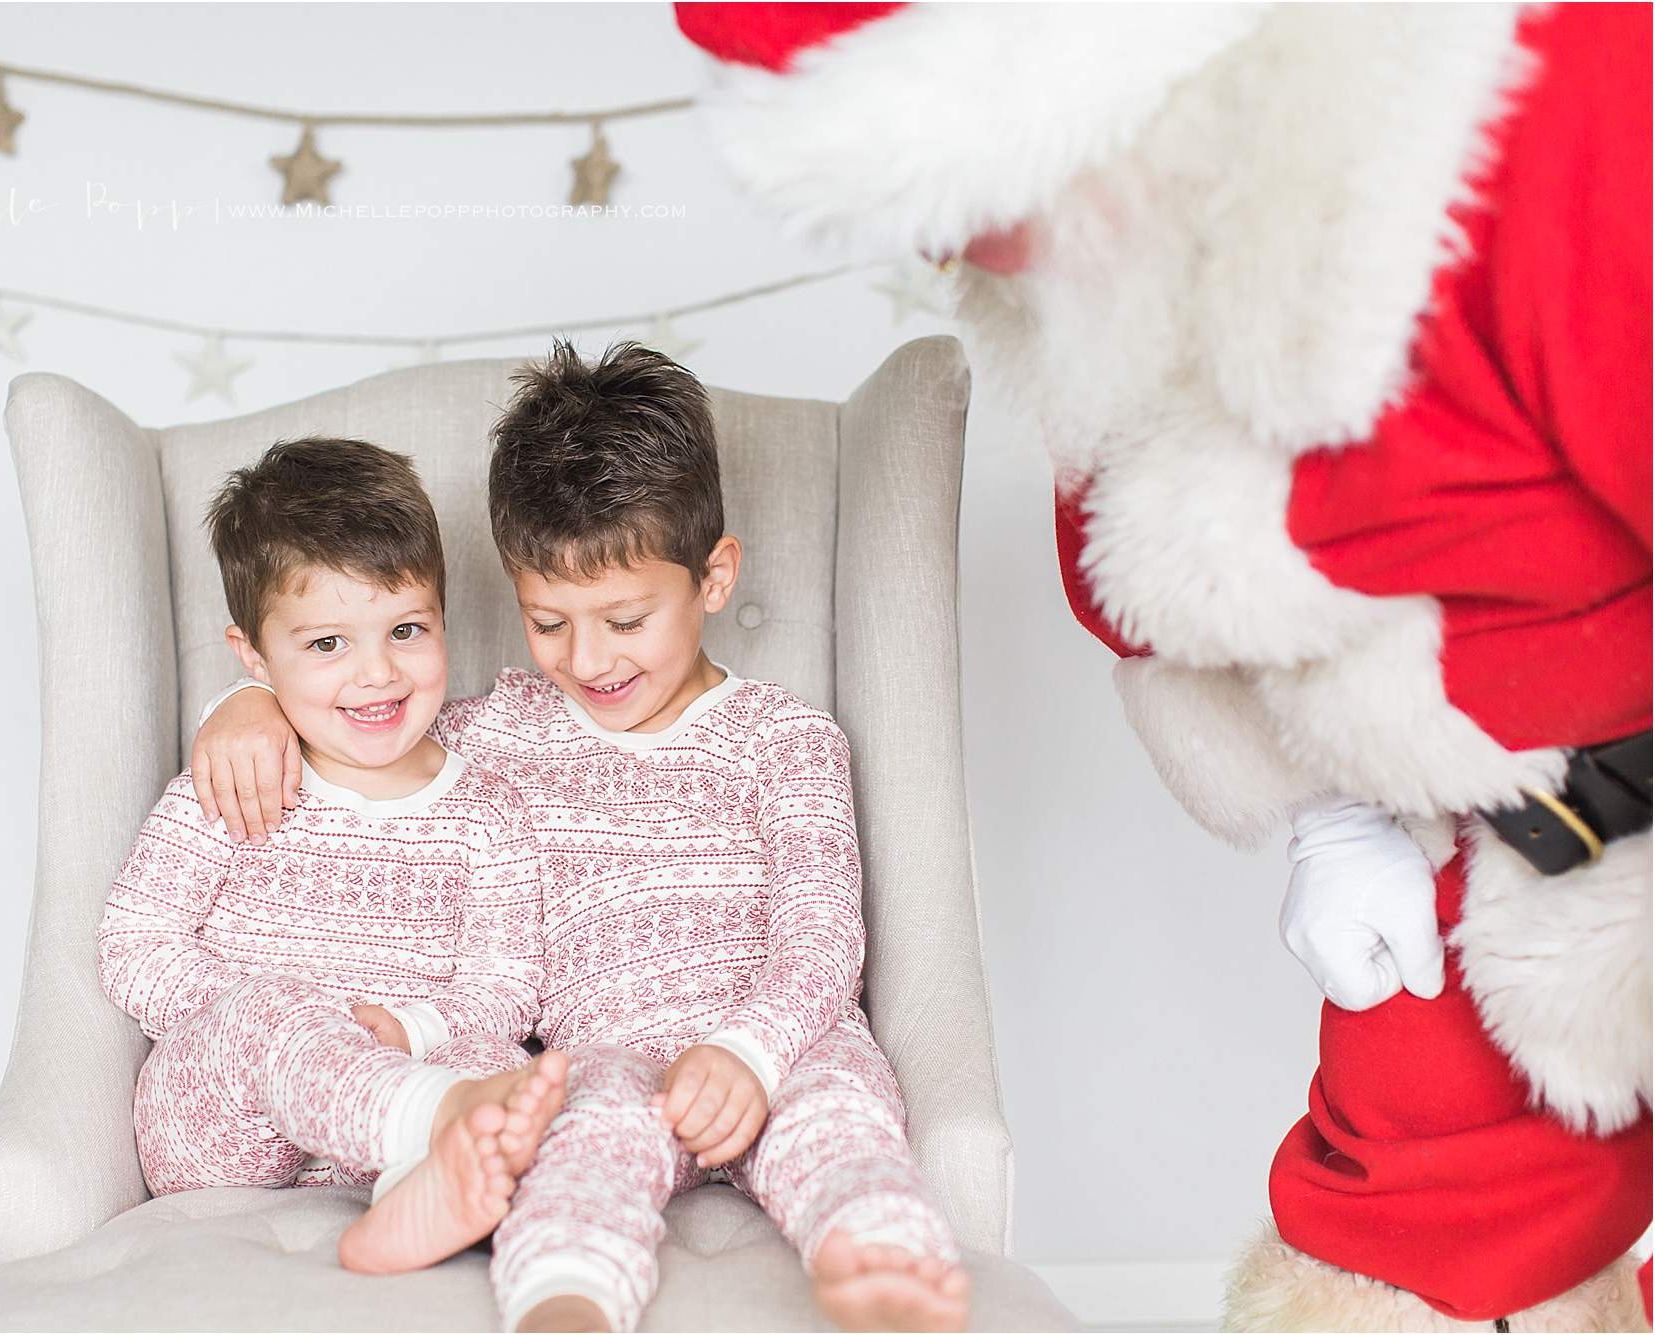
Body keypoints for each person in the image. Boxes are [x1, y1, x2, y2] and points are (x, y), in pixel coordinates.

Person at [673, 2, 1652, 1327]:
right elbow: (1142, 587)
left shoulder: (1557, 114)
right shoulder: (1097, 295)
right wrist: (1336, 815)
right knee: (1395, 1245)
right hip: (1490, 841)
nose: (968, 245)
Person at [196, 343, 970, 1331]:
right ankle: (564, 1305)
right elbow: (362, 724)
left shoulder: (785, 739)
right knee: (574, 1146)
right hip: (607, 1059)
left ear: (714, 576)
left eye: (624, 618)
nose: (588, 658)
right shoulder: (502, 729)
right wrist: (254, 702)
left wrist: (748, 1052)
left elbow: (822, 940)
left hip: (775, 1040)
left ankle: (881, 1262)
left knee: (841, 1118)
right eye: (548, 621)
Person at [99, 435, 567, 1277]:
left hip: (402, 1088)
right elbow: (134, 940)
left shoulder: (486, 810)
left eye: (407, 628)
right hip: (229, 1126)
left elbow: (506, 982)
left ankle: (422, 1195)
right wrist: (282, 1021)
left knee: (505, 1064)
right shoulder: (237, 775)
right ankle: (430, 1127)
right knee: (269, 1012)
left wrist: (409, 1030)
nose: (378, 673)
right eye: (327, 644)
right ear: (253, 656)